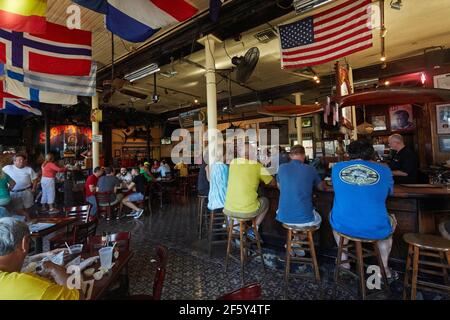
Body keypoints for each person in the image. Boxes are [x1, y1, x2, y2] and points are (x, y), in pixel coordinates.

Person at [330, 140, 398, 281]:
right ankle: (384, 270)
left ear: (349, 153)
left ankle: (344, 263)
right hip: (375, 226)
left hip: (343, 225)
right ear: (371, 153)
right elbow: (389, 192)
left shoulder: (337, 168)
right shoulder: (384, 169)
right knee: (390, 222)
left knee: (333, 216)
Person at [0, 217, 81, 300]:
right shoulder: (24, 283)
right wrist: (55, 269)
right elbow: (80, 297)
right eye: (29, 242)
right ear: (24, 243)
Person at [224, 142, 274, 238]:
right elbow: (272, 182)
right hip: (246, 212)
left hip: (228, 210)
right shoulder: (257, 165)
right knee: (266, 201)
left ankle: (239, 229)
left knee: (245, 201)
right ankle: (253, 229)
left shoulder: (233, 163)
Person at [276, 145, 324, 227]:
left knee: (298, 224)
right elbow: (321, 188)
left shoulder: (281, 168)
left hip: (283, 217)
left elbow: (279, 187)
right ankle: (301, 237)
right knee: (319, 221)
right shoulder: (311, 169)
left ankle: (296, 236)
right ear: (304, 156)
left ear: (290, 156)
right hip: (305, 218)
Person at [2, 154, 38, 220]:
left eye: (22, 160)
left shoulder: (29, 169)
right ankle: (26, 220)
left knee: (28, 207)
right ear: (14, 161)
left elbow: (35, 179)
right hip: (14, 192)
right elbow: (1, 175)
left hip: (26, 191)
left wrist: (33, 188)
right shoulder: (7, 168)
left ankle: (27, 222)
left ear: (25, 161)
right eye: (19, 160)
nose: (21, 161)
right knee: (17, 209)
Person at [207, 145, 229, 213]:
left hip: (212, 200)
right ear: (225, 155)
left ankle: (227, 220)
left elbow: (209, 180)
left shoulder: (212, 166)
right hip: (223, 200)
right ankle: (231, 220)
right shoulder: (225, 167)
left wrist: (207, 170)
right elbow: (228, 182)